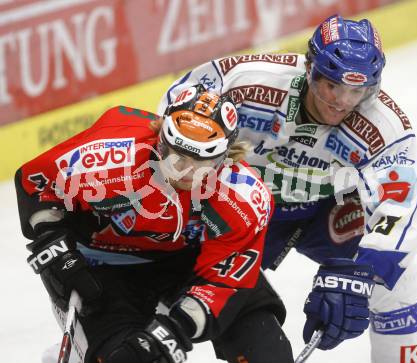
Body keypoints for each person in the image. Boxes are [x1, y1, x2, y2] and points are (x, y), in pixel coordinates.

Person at [159, 15, 417, 362]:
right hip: (238, 210)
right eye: (333, 85)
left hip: (325, 211)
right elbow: (175, 110)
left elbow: (400, 213)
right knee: (168, 283)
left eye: (356, 91)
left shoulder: (385, 126)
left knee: (397, 284)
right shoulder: (246, 81)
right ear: (310, 67)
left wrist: (362, 276)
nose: (342, 102)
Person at [15, 85, 296, 363]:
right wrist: (56, 251)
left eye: (202, 161)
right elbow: (38, 182)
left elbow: (223, 281)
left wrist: (175, 329)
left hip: (189, 262)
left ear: (224, 157)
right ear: (160, 140)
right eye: (178, 157)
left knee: (267, 353)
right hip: (102, 270)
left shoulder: (243, 196)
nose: (186, 171)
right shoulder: (111, 157)